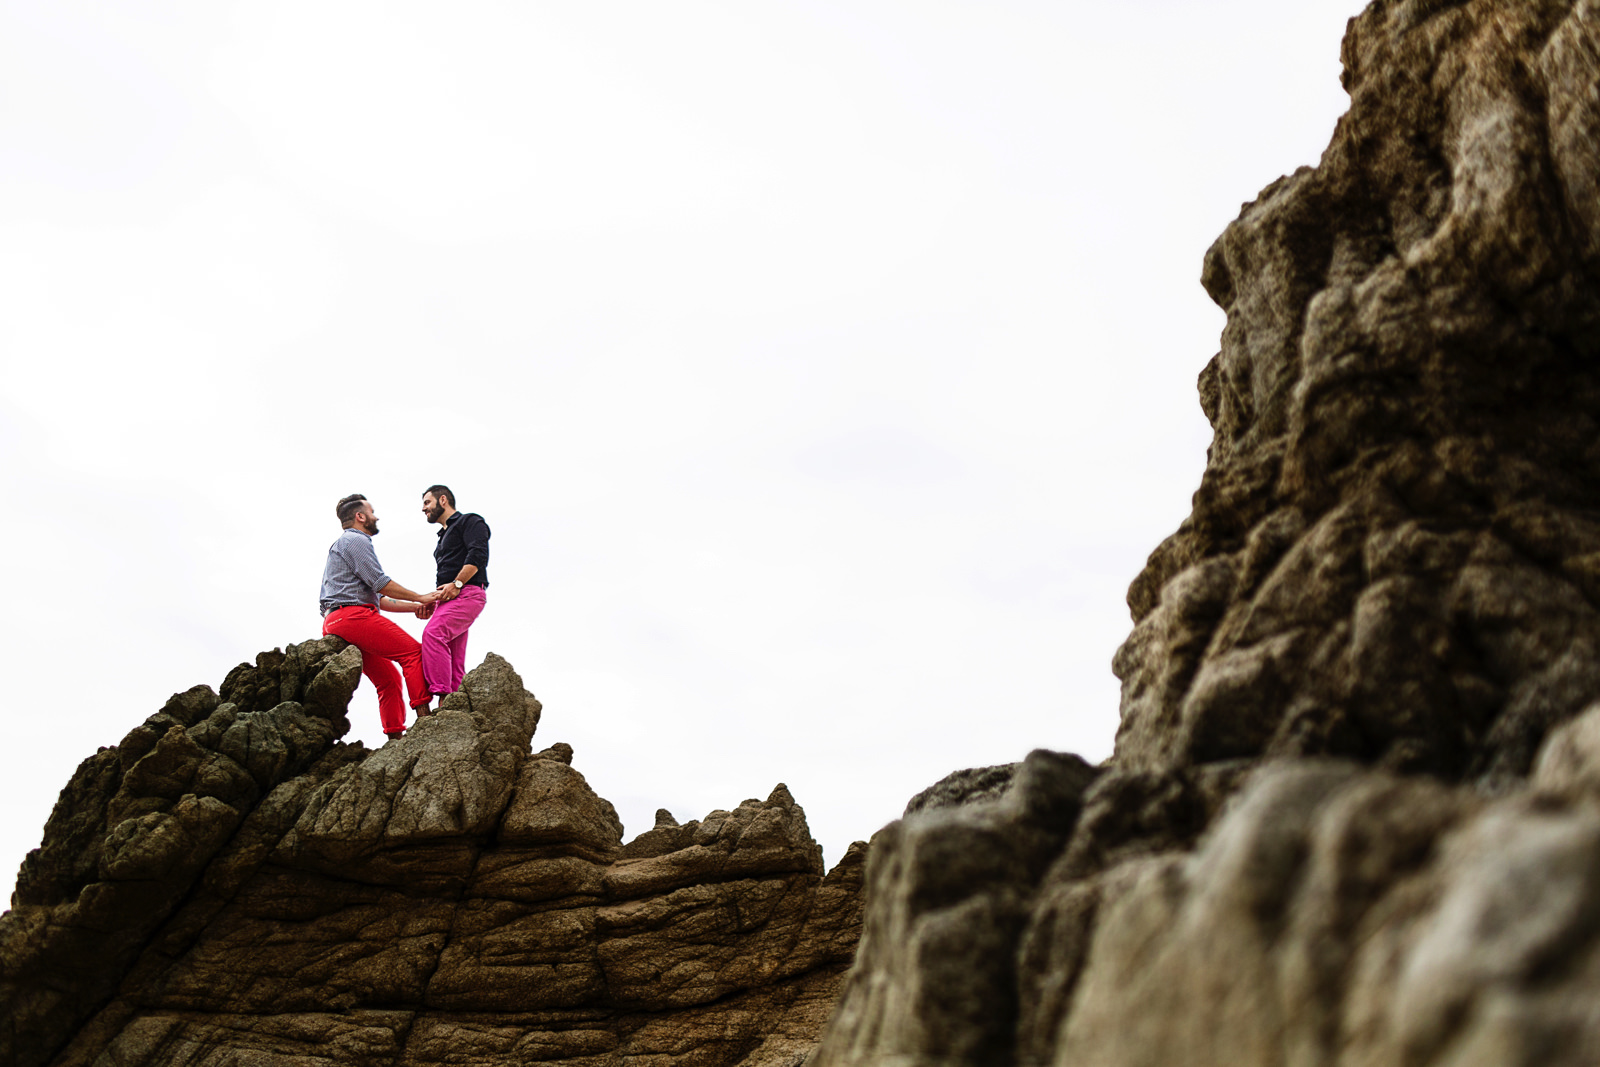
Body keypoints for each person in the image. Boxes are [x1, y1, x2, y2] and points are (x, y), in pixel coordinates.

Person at [319, 494, 439, 739]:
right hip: (353, 617)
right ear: (360, 517)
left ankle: (395, 737)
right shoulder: (356, 540)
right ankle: (425, 719)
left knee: (388, 679)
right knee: (413, 653)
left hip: (336, 621)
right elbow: (380, 583)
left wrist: (414, 607)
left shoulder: (344, 544)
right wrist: (421, 597)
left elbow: (379, 600)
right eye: (371, 511)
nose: (376, 516)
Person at [419, 484, 490, 702]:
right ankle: (456, 704)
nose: (423, 509)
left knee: (432, 634)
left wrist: (457, 584)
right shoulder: (442, 536)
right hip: (448, 598)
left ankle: (442, 695)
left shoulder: (470, 521)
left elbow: (478, 556)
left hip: (467, 592)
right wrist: (435, 599)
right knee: (454, 657)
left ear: (443, 500)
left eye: (427, 502)